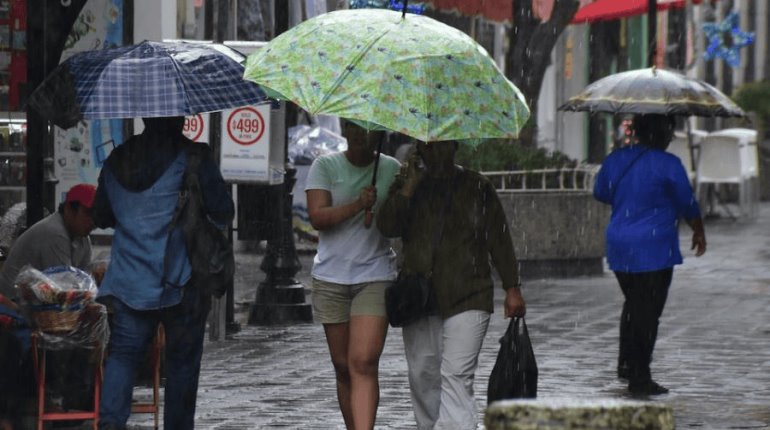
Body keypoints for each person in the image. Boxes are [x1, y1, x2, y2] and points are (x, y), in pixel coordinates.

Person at [93, 116, 234, 430]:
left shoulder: (117, 158)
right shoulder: (195, 157)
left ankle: (110, 424)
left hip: (129, 282)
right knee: (182, 366)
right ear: (180, 118)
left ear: (145, 117)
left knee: (123, 356)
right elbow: (223, 209)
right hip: (182, 283)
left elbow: (101, 215)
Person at [377, 141, 526, 429]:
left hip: (469, 294)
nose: (434, 151)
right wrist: (408, 187)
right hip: (419, 297)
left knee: (456, 374)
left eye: (441, 144)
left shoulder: (477, 186)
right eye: (427, 145)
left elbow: (499, 238)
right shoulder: (408, 184)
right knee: (423, 376)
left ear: (455, 145)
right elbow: (387, 226)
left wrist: (512, 287)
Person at [593, 113, 707, 396]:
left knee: (634, 303)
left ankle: (628, 364)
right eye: (669, 131)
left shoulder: (616, 159)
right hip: (654, 248)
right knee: (647, 312)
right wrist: (698, 229)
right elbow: (687, 202)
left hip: (620, 245)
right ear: (660, 134)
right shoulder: (669, 165)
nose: (671, 137)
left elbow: (601, 192)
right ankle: (639, 377)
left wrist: (631, 198)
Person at [305, 120, 401, 430]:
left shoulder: (391, 169)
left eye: (368, 130)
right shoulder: (325, 166)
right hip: (331, 277)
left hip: (375, 274)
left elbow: (401, 221)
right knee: (343, 366)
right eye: (354, 128)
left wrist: (405, 192)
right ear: (345, 129)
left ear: (379, 133)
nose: (361, 136)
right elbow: (318, 217)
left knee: (363, 362)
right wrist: (358, 204)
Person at [0, 183, 97, 414]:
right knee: (72, 338)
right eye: (87, 214)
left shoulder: (83, 239)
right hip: (17, 304)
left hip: (47, 306)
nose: (92, 221)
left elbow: (82, 284)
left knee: (93, 328)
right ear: (69, 210)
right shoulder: (54, 233)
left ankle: (79, 398)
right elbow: (62, 289)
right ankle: (64, 397)